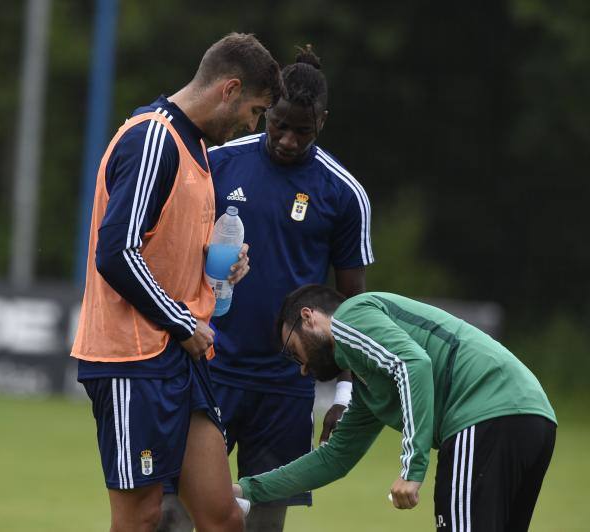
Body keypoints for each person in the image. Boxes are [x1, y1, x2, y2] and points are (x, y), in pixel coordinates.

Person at [71, 33, 283, 532]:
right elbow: (117, 252)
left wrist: (214, 266)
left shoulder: (197, 151)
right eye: (253, 111)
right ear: (229, 89)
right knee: (141, 517)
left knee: (222, 516)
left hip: (178, 357)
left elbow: (159, 246)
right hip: (132, 359)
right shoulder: (153, 139)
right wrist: (183, 320)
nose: (251, 126)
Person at [158, 45, 373, 532]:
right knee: (169, 514)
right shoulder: (217, 163)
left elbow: (355, 308)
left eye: (304, 130)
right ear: (266, 107)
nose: (289, 139)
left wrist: (344, 393)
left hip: (286, 387)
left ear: (323, 121)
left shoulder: (343, 193)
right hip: (209, 369)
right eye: (278, 123)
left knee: (265, 524)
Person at [234, 285, 557, 531]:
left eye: (294, 351)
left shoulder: (350, 316)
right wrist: (245, 488)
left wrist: (412, 470)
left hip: (486, 414)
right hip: (533, 417)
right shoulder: (370, 384)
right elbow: (333, 459)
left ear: (308, 317)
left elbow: (412, 364)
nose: (302, 369)